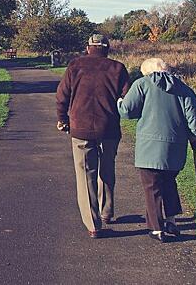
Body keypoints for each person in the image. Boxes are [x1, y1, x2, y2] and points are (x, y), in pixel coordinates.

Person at [117, 58, 196, 242]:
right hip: (175, 147)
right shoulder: (183, 88)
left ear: (146, 72)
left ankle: (157, 228)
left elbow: (126, 111)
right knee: (169, 182)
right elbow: (195, 121)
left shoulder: (142, 84)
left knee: (152, 187)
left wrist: (119, 101)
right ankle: (171, 221)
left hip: (149, 148)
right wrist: (195, 136)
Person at [56, 34, 130, 238]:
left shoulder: (75, 66)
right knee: (107, 170)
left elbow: (62, 95)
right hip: (109, 129)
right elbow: (127, 99)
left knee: (85, 175)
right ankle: (106, 211)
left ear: (88, 47)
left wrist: (62, 119)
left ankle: (93, 224)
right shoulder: (118, 68)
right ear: (107, 48)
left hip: (81, 128)